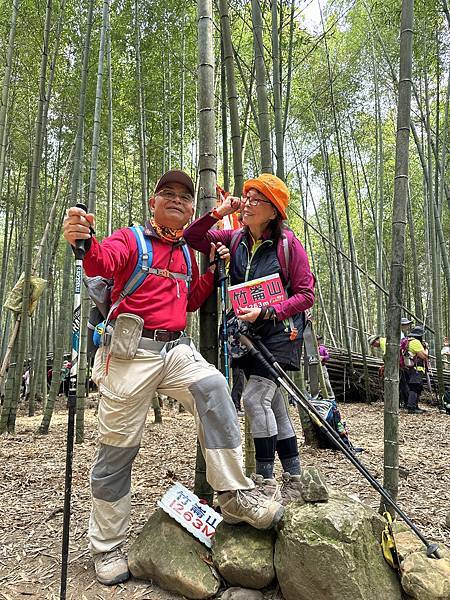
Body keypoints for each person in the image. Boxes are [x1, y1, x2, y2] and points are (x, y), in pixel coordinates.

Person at [63, 169, 284, 586]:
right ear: (153, 202)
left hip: (173, 349)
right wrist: (84, 241)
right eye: (169, 193)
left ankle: (234, 493)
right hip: (129, 356)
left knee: (215, 387)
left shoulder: (184, 251)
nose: (179, 200)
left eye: (185, 196)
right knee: (117, 453)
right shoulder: (130, 239)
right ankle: (107, 546)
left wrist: (213, 274)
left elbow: (191, 301)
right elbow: (101, 261)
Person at [184, 173, 315, 502]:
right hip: (247, 333)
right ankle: (295, 476)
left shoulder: (288, 246)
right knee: (275, 406)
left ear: (274, 211)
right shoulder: (235, 239)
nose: (249, 204)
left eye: (257, 199)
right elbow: (193, 236)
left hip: (280, 334)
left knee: (255, 400)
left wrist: (269, 311)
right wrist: (219, 210)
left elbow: (305, 295)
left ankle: (265, 478)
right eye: (248, 197)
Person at [404, 325, 428, 414]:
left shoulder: (408, 341)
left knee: (417, 387)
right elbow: (424, 356)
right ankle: (411, 407)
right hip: (416, 368)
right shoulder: (415, 342)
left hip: (410, 367)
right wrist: (426, 349)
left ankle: (415, 406)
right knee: (415, 387)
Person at [317, 335, 334, 399]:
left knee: (326, 383)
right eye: (317, 339)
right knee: (314, 384)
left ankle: (331, 396)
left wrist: (323, 357)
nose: (318, 341)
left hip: (322, 367)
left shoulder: (323, 348)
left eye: (318, 339)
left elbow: (328, 356)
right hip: (314, 368)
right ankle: (318, 397)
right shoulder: (311, 348)